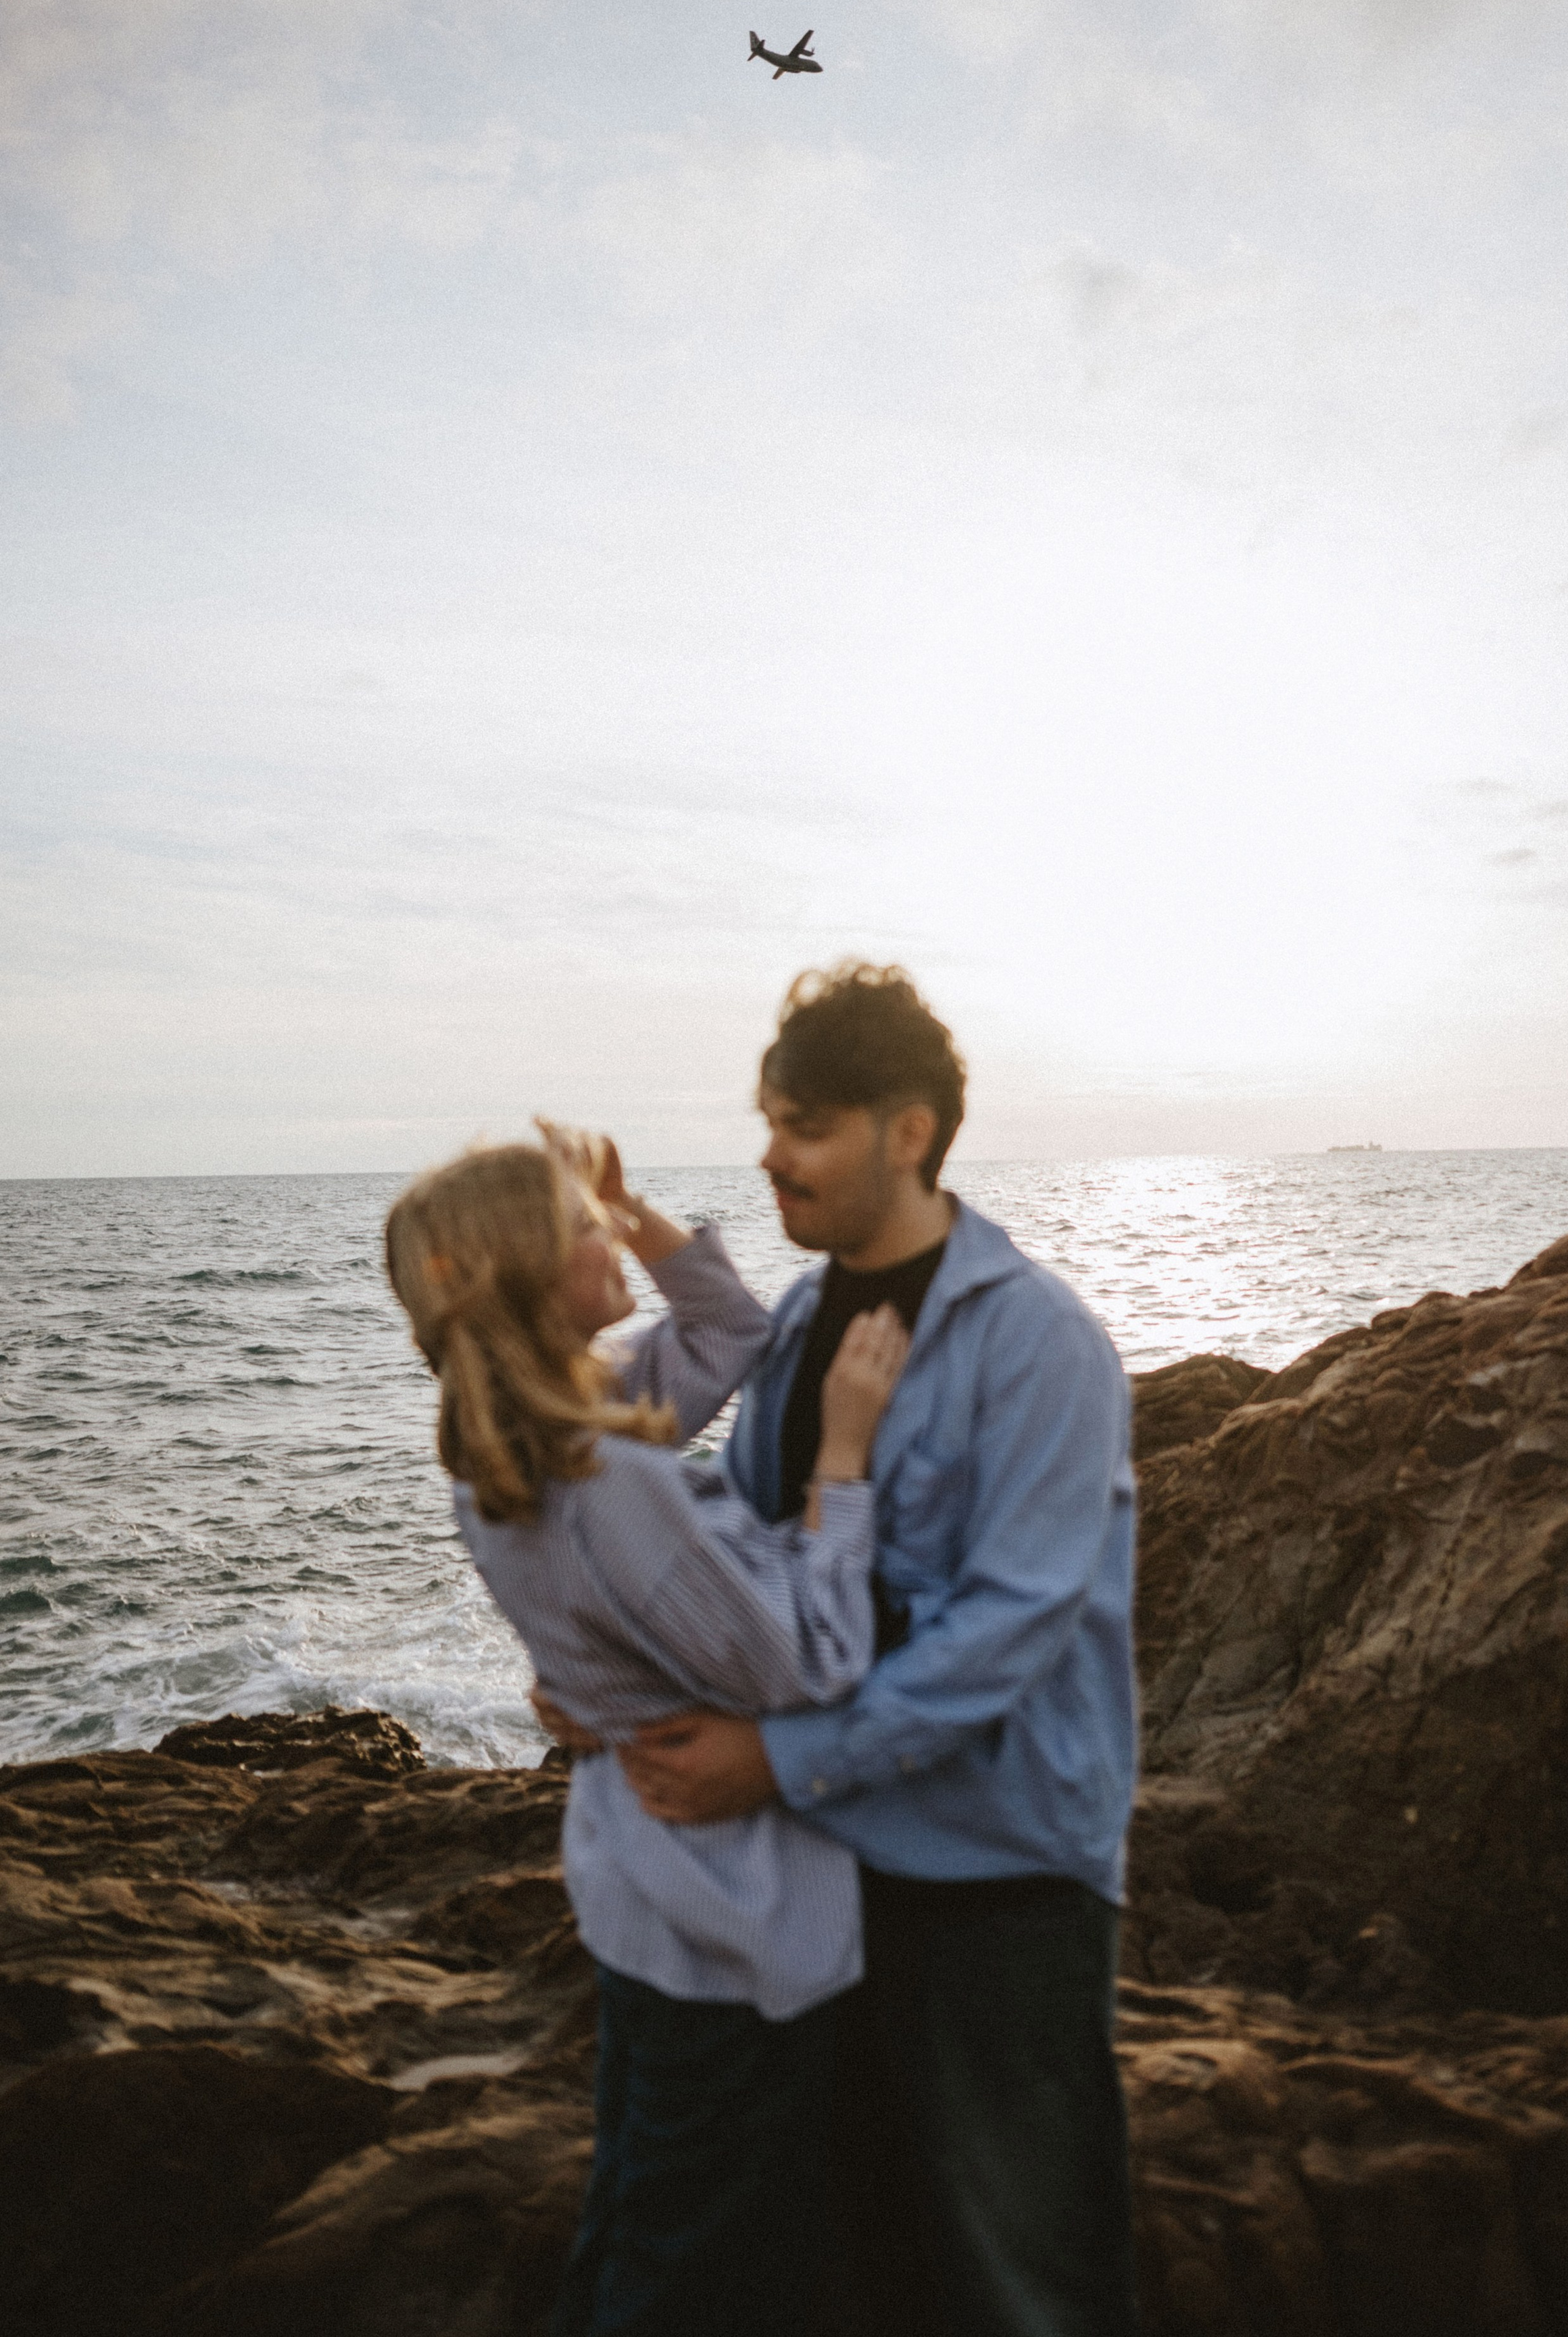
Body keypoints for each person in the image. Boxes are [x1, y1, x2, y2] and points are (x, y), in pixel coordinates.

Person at [538, 967, 1142, 2337]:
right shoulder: (803, 1324)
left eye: (804, 1124)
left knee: (1017, 2283)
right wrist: (601, 1681)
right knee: (854, 2270)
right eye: (769, 1121)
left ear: (907, 1132)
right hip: (821, 1869)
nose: (769, 1155)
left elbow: (1010, 1631)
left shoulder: (1040, 1345)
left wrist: (775, 1757)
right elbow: (738, 1570)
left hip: (996, 1875)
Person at [384, 1122, 909, 2337]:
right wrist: (843, 1456)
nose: (606, 1233)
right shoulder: (600, 1470)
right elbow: (811, 1665)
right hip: (724, 1908)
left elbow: (731, 1332)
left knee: (636, 2207)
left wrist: (632, 1212)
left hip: (644, 1892)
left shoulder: (525, 1435)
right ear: (526, 1271)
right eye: (581, 1226)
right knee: (703, 2259)